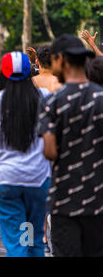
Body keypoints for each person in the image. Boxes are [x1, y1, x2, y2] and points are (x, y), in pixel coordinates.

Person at [0, 51, 51, 257]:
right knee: (32, 238)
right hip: (37, 182)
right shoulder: (46, 100)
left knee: (16, 241)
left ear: (2, 74)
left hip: (5, 183)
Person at [38, 34, 102, 257]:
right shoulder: (100, 97)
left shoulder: (51, 103)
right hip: (98, 201)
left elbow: (49, 152)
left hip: (65, 201)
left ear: (61, 60)